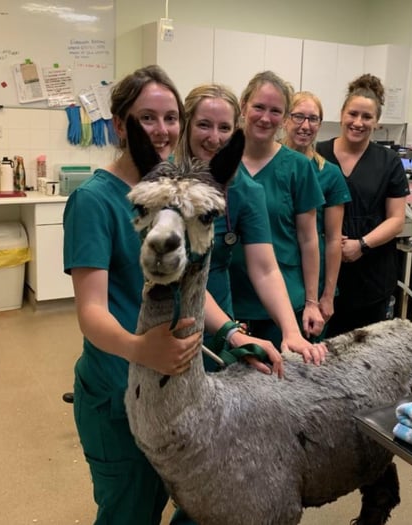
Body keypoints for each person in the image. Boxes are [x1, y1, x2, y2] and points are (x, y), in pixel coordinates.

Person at [63, 65, 280, 525]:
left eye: (170, 118)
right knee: (132, 508)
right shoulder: (95, 201)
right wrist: (142, 349)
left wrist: (233, 334)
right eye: (146, 118)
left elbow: (192, 280)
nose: (161, 130)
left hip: (179, 385)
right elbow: (91, 310)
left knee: (197, 500)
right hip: (119, 384)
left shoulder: (177, 193)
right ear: (121, 125)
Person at [176, 83, 325, 367]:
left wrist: (290, 330)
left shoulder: (244, 188)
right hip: (170, 316)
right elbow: (181, 276)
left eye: (224, 128)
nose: (214, 137)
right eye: (204, 125)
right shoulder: (163, 185)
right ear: (186, 125)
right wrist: (231, 333)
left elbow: (265, 268)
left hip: (219, 317)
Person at [228, 71, 327, 347]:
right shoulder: (220, 161)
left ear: (284, 118)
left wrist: (311, 302)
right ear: (243, 105)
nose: (265, 117)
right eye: (258, 107)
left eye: (275, 111)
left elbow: (309, 240)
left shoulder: (298, 167)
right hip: (227, 302)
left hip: (281, 305)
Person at [316, 73, 409, 336]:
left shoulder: (388, 161)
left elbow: (396, 219)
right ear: (342, 114)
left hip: (371, 276)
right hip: (322, 272)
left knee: (365, 353)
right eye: (353, 114)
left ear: (377, 122)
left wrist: (362, 245)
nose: (358, 122)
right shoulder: (317, 154)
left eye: (367, 117)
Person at [282, 91, 351, 338]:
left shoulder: (329, 174)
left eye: (313, 119)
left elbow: (333, 239)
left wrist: (327, 296)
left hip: (314, 279)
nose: (305, 125)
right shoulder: (268, 164)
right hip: (274, 274)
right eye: (298, 116)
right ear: (284, 120)